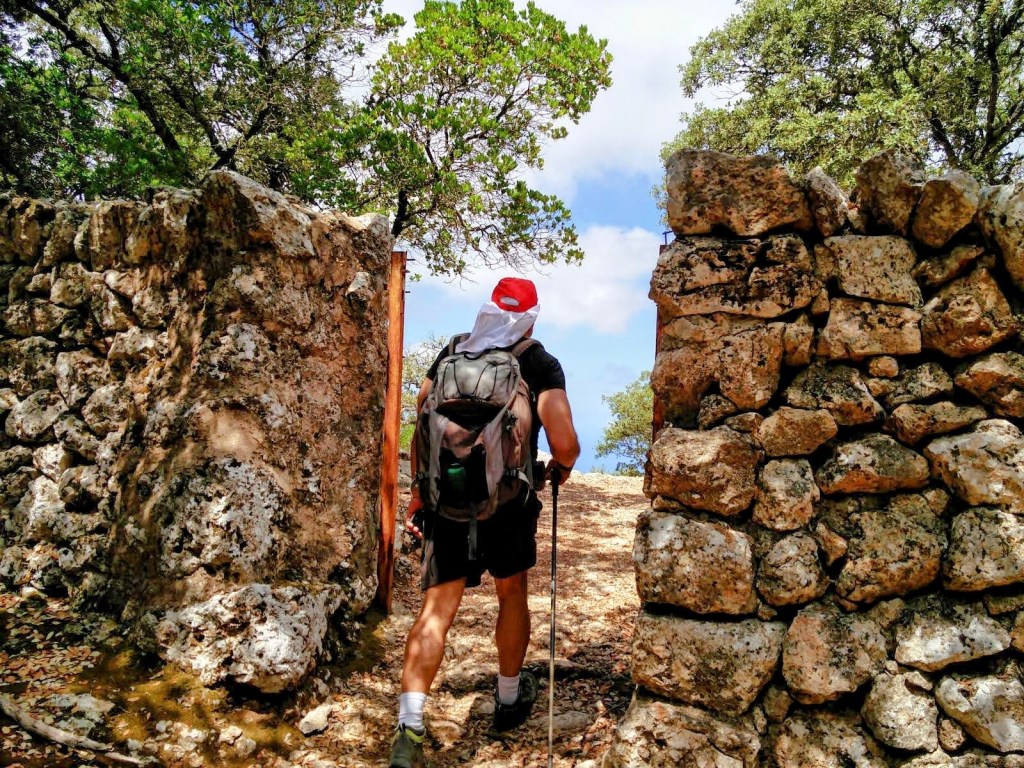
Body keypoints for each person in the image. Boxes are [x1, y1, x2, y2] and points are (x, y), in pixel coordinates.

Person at [389, 277, 581, 768]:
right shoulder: (536, 361)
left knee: (436, 611)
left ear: (488, 308)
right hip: (507, 503)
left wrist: (418, 492)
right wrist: (559, 469)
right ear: (532, 315)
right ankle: (509, 697)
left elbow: (421, 416)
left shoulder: (454, 350)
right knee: (511, 594)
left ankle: (409, 728)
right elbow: (565, 444)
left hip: (447, 500)